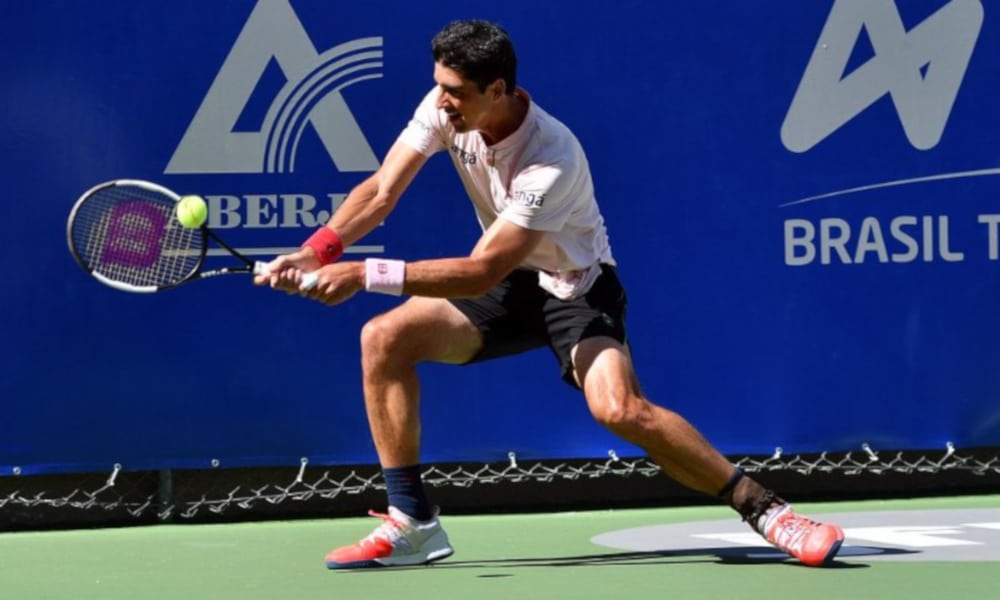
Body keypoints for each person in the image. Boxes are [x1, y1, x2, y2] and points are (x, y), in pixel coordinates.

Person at [256, 19, 845, 569]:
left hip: (574, 288)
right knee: (384, 338)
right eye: (438, 86)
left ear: (498, 89)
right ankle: (413, 521)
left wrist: (363, 275)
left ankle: (766, 510)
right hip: (511, 285)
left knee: (619, 409)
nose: (441, 100)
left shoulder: (552, 158)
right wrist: (320, 250)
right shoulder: (445, 110)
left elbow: (483, 268)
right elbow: (382, 191)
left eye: (456, 91)